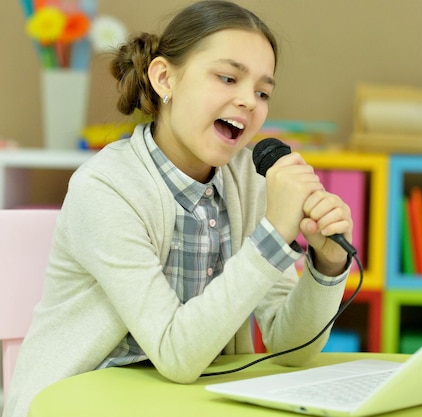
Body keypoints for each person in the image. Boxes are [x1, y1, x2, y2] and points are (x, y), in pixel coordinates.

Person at [3, 1, 353, 416]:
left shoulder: (249, 182)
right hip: (81, 400)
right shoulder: (105, 187)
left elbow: (290, 345)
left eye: (262, 92)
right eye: (227, 77)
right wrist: (273, 235)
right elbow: (176, 352)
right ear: (165, 78)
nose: (248, 101)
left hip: (186, 401)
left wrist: (326, 266)